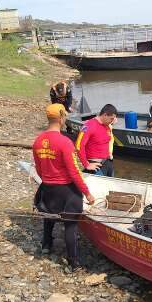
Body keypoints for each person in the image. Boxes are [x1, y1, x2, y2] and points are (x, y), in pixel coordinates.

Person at [33, 103, 95, 269]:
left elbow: (39, 169)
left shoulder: (38, 141)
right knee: (70, 225)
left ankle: (46, 245)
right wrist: (87, 193)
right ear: (61, 118)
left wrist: (48, 181)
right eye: (65, 116)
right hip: (66, 190)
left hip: (47, 188)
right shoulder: (65, 142)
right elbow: (74, 172)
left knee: (48, 216)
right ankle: (73, 262)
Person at [75, 104, 117, 177]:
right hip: (95, 164)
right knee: (100, 187)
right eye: (111, 119)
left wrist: (110, 153)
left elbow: (109, 140)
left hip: (108, 162)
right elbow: (79, 145)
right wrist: (86, 164)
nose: (113, 121)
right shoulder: (89, 126)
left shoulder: (107, 125)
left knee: (110, 187)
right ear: (105, 115)